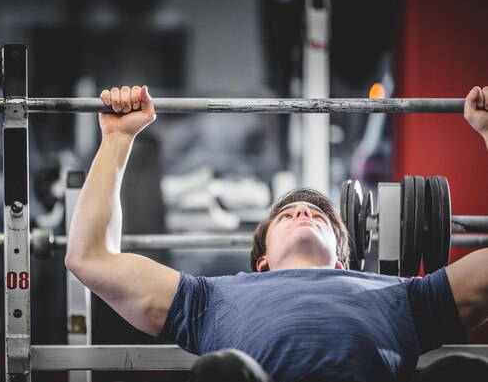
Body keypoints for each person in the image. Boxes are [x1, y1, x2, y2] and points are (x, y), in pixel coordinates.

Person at [65, 85, 488, 382]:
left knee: (461, 373)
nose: (303, 210)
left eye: (318, 215)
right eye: (287, 215)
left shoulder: (400, 296)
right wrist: (118, 138)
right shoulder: (211, 299)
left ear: (342, 260)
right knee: (222, 373)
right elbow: (91, 258)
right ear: (262, 263)